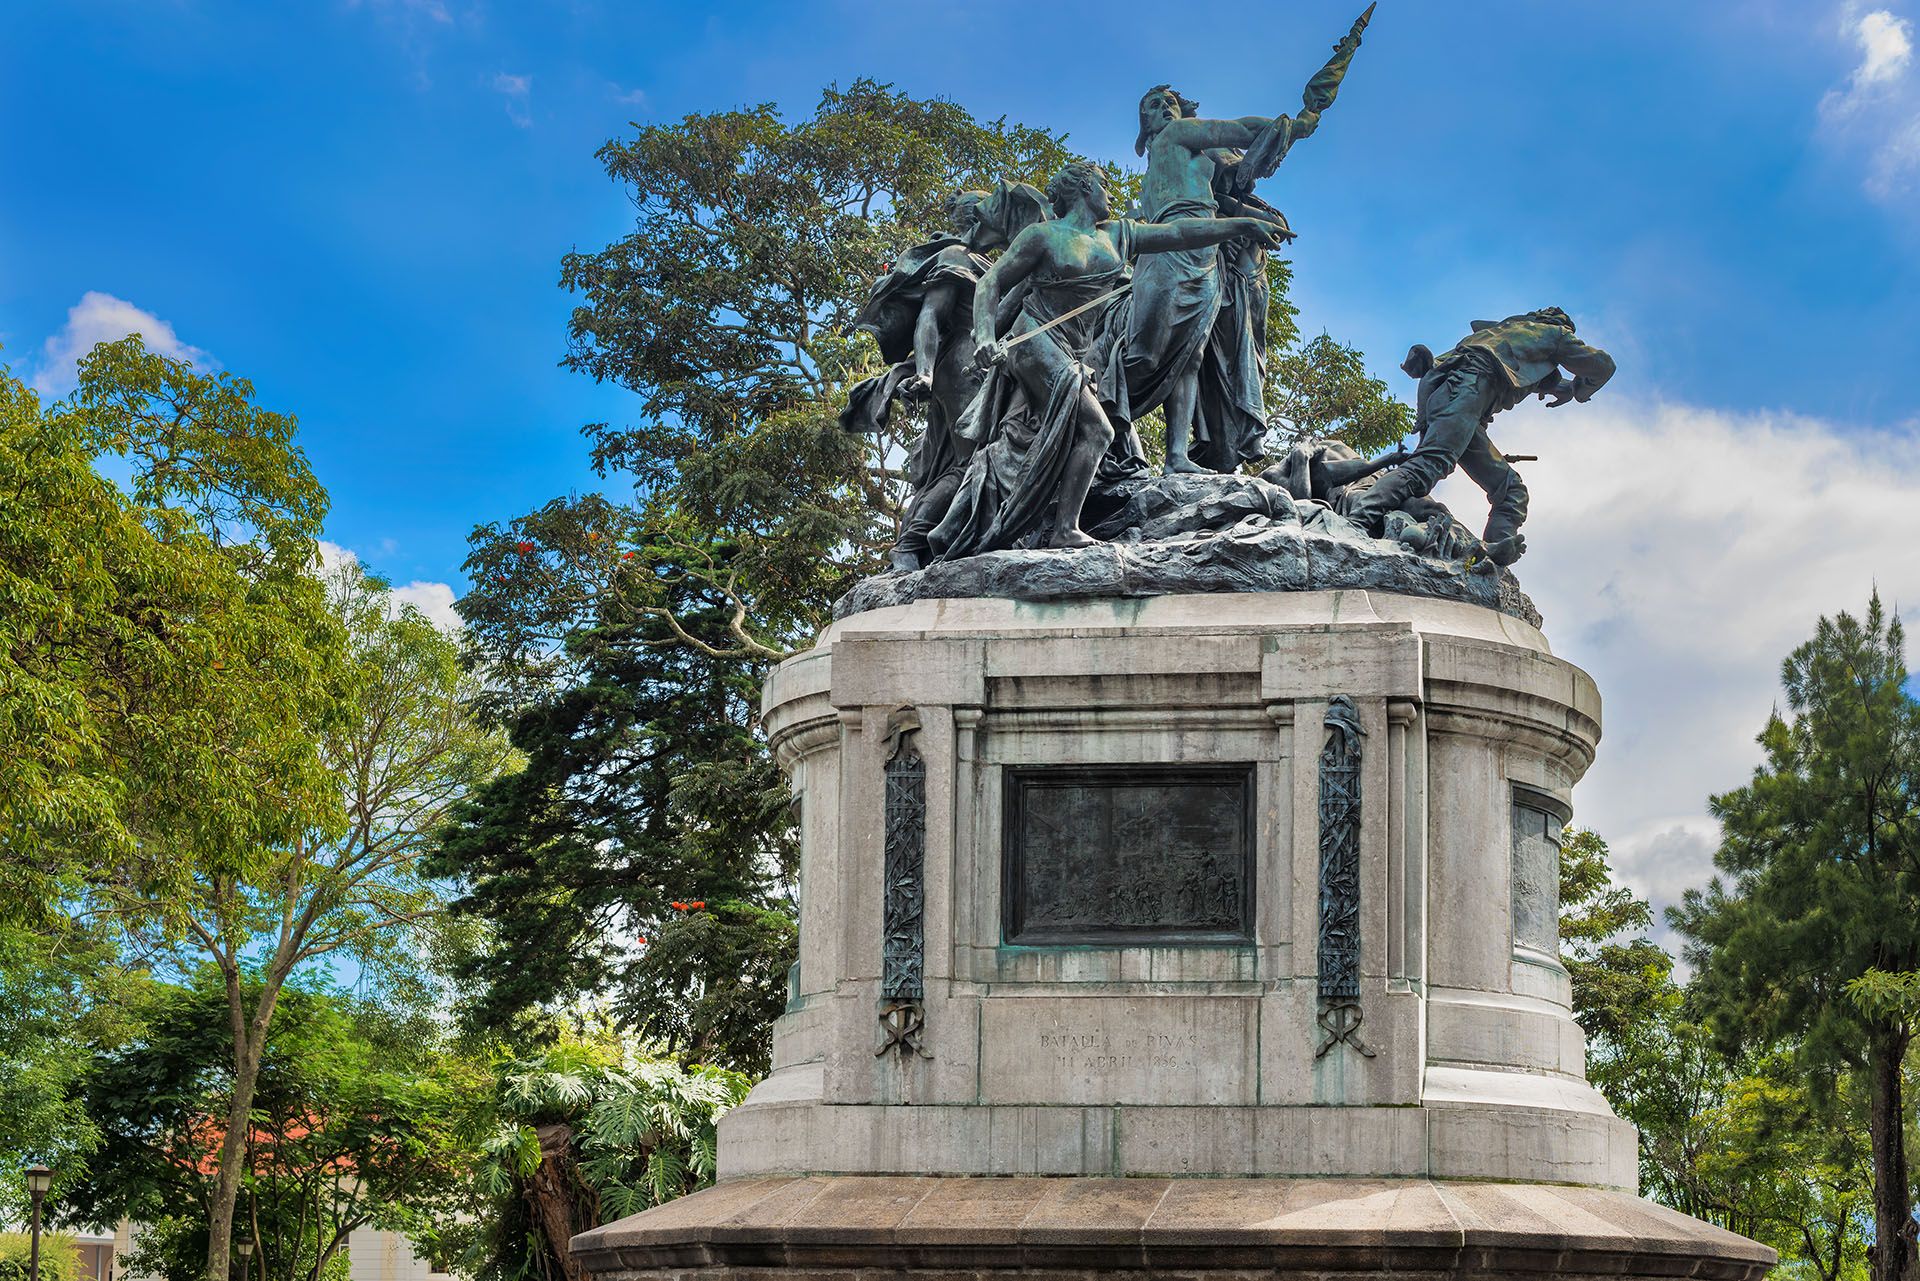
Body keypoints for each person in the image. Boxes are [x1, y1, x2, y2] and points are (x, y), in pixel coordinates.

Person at [928, 161, 1288, 559]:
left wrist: (1240, 226)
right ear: (1082, 189)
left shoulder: (1117, 235)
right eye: (1103, 184)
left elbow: (1178, 233)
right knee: (1098, 430)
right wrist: (983, 335)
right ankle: (1065, 529)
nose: (1110, 192)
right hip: (1034, 343)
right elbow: (991, 283)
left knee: (1022, 443)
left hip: (1075, 353)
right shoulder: (1042, 236)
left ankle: (953, 525)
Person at [1099, 86, 1323, 476]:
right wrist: (1287, 126)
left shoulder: (1173, 158)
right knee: (1146, 357)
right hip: (1173, 249)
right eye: (1154, 106)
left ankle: (1175, 457)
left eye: (1170, 103)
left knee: (1190, 357)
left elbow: (1232, 176)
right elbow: (1235, 129)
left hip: (1205, 253)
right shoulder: (1177, 136)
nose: (1165, 109)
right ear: (1145, 124)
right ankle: (1089, 416)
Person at [840, 183, 1050, 570]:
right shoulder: (957, 256)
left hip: (994, 366)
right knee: (973, 461)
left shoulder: (992, 264)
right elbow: (930, 317)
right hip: (962, 366)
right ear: (979, 219)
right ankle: (912, 543)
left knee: (997, 453)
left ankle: (974, 534)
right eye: (994, 214)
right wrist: (924, 373)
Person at [1346, 307, 1615, 566]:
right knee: (1428, 466)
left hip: (1455, 400)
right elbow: (1603, 366)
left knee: (1511, 490)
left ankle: (1486, 558)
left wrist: (1564, 388)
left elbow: (1536, 376)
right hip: (1467, 394)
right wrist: (1581, 389)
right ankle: (1355, 523)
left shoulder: (1501, 333)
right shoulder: (1556, 334)